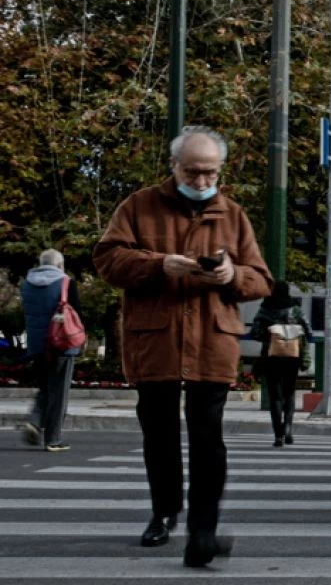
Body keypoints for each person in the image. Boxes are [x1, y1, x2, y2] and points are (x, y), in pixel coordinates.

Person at [92, 126, 273, 567]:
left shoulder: (232, 214)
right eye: (192, 172)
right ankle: (164, 510)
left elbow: (262, 278)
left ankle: (203, 531)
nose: (202, 181)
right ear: (174, 167)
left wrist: (232, 277)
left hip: (212, 340)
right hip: (157, 340)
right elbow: (106, 259)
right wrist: (159, 265)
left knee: (208, 438)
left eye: (210, 173)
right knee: (159, 434)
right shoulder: (139, 206)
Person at [18, 249, 81, 453]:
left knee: (45, 388)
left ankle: (34, 421)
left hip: (37, 344)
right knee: (59, 393)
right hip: (62, 343)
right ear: (60, 265)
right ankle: (53, 439)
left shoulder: (27, 284)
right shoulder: (66, 283)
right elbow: (77, 312)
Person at [249, 281, 311, 448]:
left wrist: (271, 335)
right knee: (289, 393)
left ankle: (278, 436)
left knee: (275, 396)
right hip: (292, 357)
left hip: (271, 357)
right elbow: (308, 330)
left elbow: (255, 333)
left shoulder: (265, 309)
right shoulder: (296, 308)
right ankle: (289, 430)